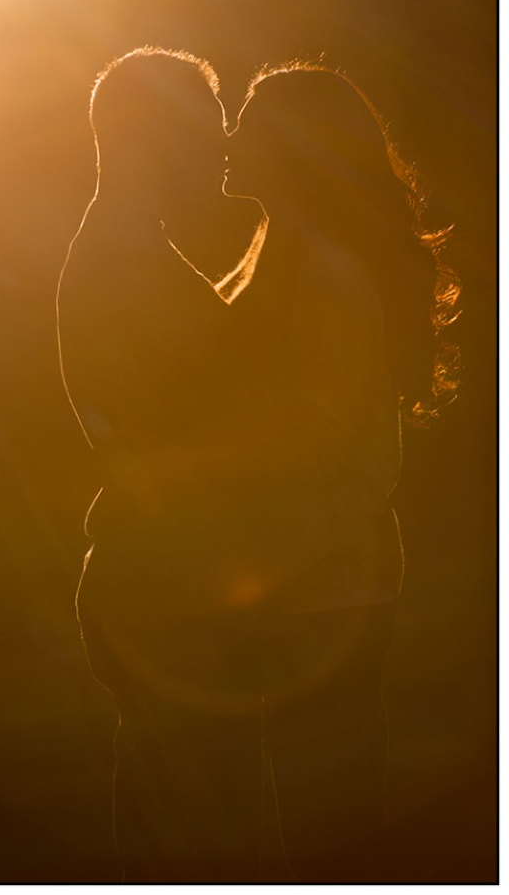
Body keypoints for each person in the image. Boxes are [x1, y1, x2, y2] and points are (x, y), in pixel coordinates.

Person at [225, 62, 460, 882]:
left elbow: (321, 442)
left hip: (328, 582)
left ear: (290, 147)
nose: (229, 136)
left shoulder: (324, 274)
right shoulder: (279, 249)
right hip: (311, 575)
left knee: (331, 836)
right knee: (310, 823)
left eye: (249, 119)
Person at [57, 47, 264, 884]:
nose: (222, 151)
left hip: (154, 583)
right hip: (166, 590)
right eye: (207, 133)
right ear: (156, 138)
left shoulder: (128, 248)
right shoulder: (125, 262)